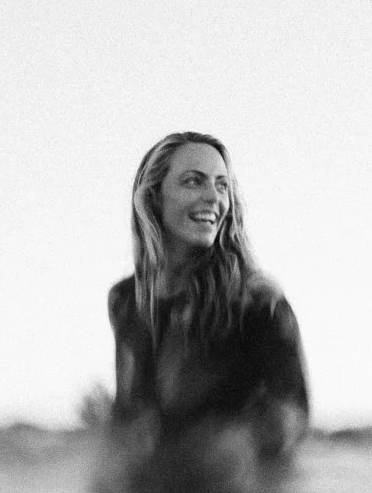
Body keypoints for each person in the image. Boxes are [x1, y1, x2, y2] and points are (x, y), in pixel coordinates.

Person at [107, 132, 309, 473]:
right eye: (193, 182)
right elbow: (131, 411)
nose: (213, 198)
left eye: (221, 185)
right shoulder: (128, 300)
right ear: (154, 197)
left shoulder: (259, 298)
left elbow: (293, 412)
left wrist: (238, 443)